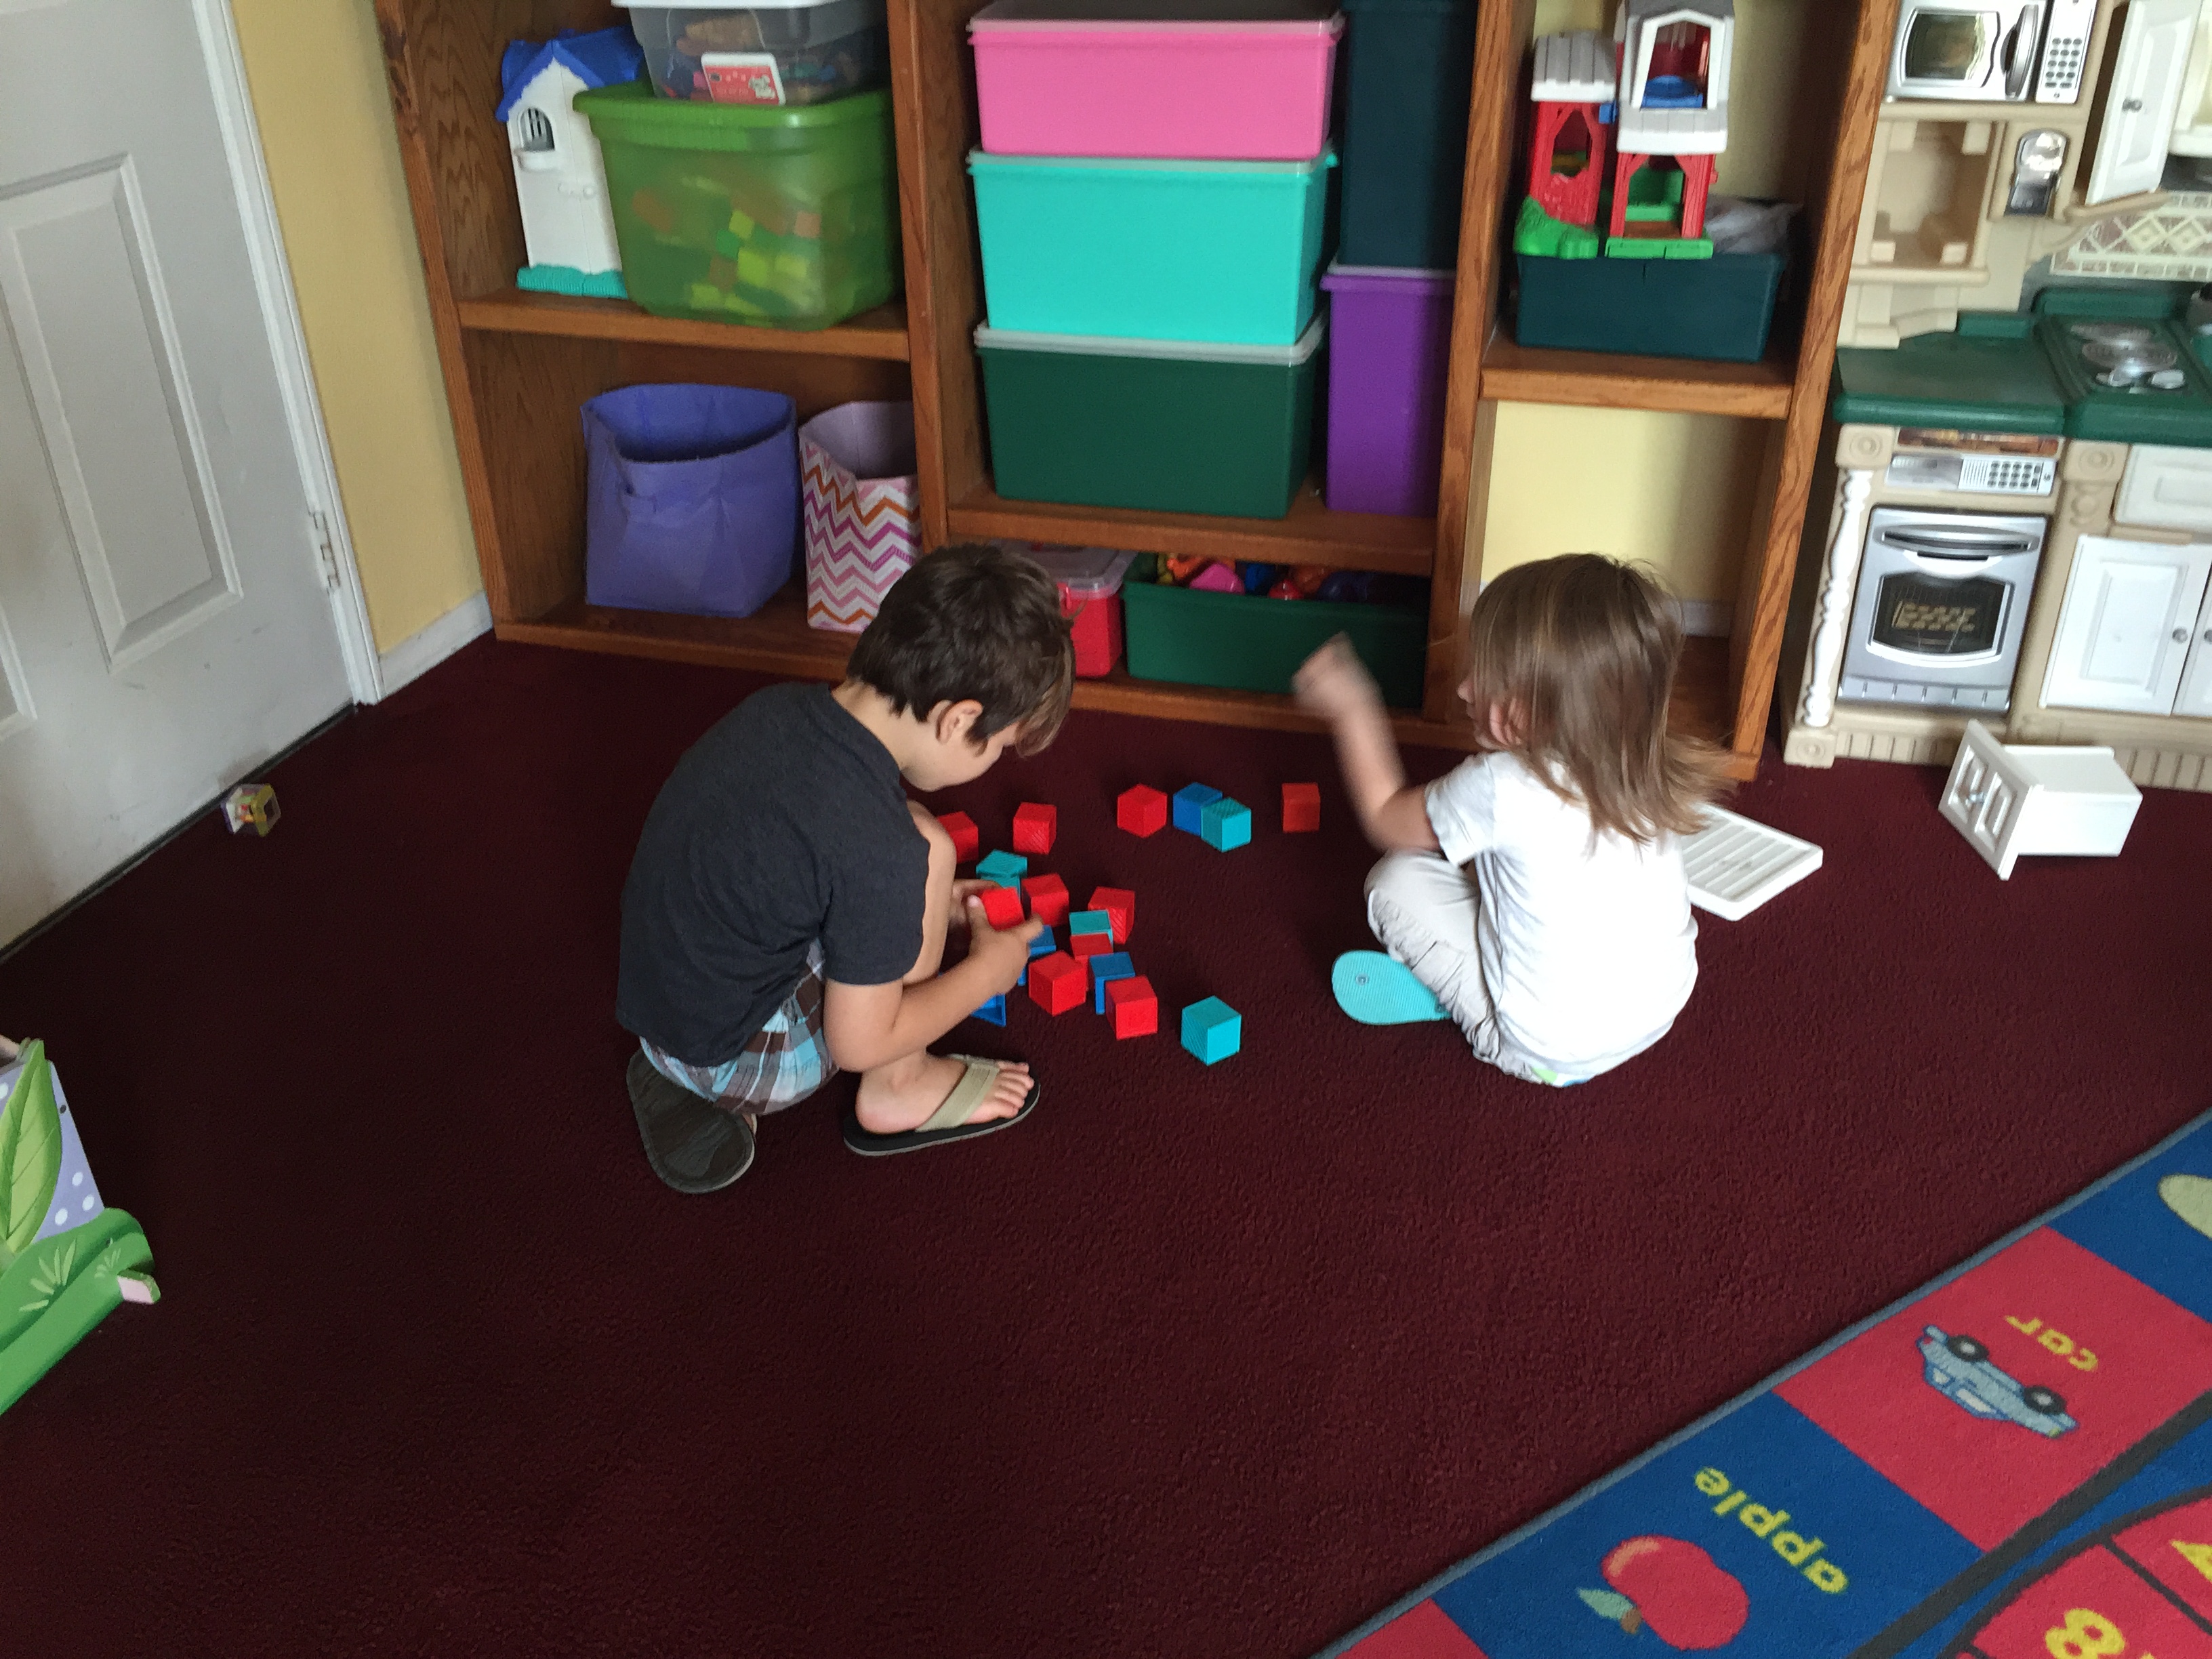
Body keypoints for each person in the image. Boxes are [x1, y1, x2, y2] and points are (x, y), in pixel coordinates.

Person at [617, 544, 1071, 1192]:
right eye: (1000, 747)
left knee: (917, 852)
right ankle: (900, 1089)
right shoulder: (880, 850)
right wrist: (983, 975)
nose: (996, 759)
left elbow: (790, 848)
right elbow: (861, 1041)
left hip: (657, 1002)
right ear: (958, 720)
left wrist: (912, 905)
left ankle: (690, 1069)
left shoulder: (776, 707)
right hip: (726, 1054)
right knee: (926, 851)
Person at [1293, 553, 1726, 1086]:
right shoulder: (1641, 755)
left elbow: (1385, 817)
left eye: (1487, 677)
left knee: (1393, 881)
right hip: (1659, 1010)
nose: (1465, 690)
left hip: (1549, 1051)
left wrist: (1354, 708)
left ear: (1542, 710)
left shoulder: (1500, 787)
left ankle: (1473, 1006)